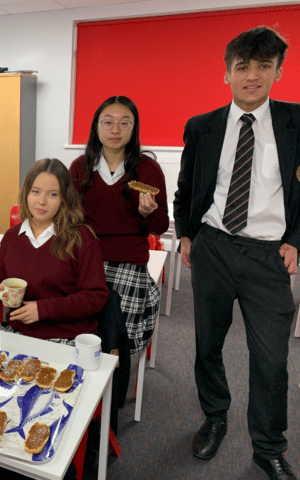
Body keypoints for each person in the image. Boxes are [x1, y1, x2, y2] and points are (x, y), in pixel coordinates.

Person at [173, 26, 298, 480]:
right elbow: (187, 187)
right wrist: (186, 234)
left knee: (271, 358)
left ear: (278, 72)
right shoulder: (202, 127)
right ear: (227, 73)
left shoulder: (297, 122)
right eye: (242, 67)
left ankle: (268, 446)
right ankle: (215, 417)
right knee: (208, 343)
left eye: (263, 66)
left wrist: (297, 240)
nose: (252, 76)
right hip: (215, 248)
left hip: (269, 257)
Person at [69, 95, 169, 356]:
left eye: (125, 123)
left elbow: (160, 227)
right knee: (81, 331)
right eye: (108, 122)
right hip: (86, 259)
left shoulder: (147, 169)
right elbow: (69, 220)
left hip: (128, 261)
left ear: (134, 128)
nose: (115, 130)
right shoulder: (80, 168)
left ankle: (114, 388)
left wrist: (149, 213)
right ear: (96, 126)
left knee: (117, 341)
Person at [0, 158, 109, 344]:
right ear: (26, 193)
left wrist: (43, 309)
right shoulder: (11, 237)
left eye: (52, 195)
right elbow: (1, 281)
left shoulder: (81, 238)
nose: (41, 202)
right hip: (18, 331)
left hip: (67, 336)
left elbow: (96, 297)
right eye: (35, 192)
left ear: (64, 198)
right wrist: (3, 293)